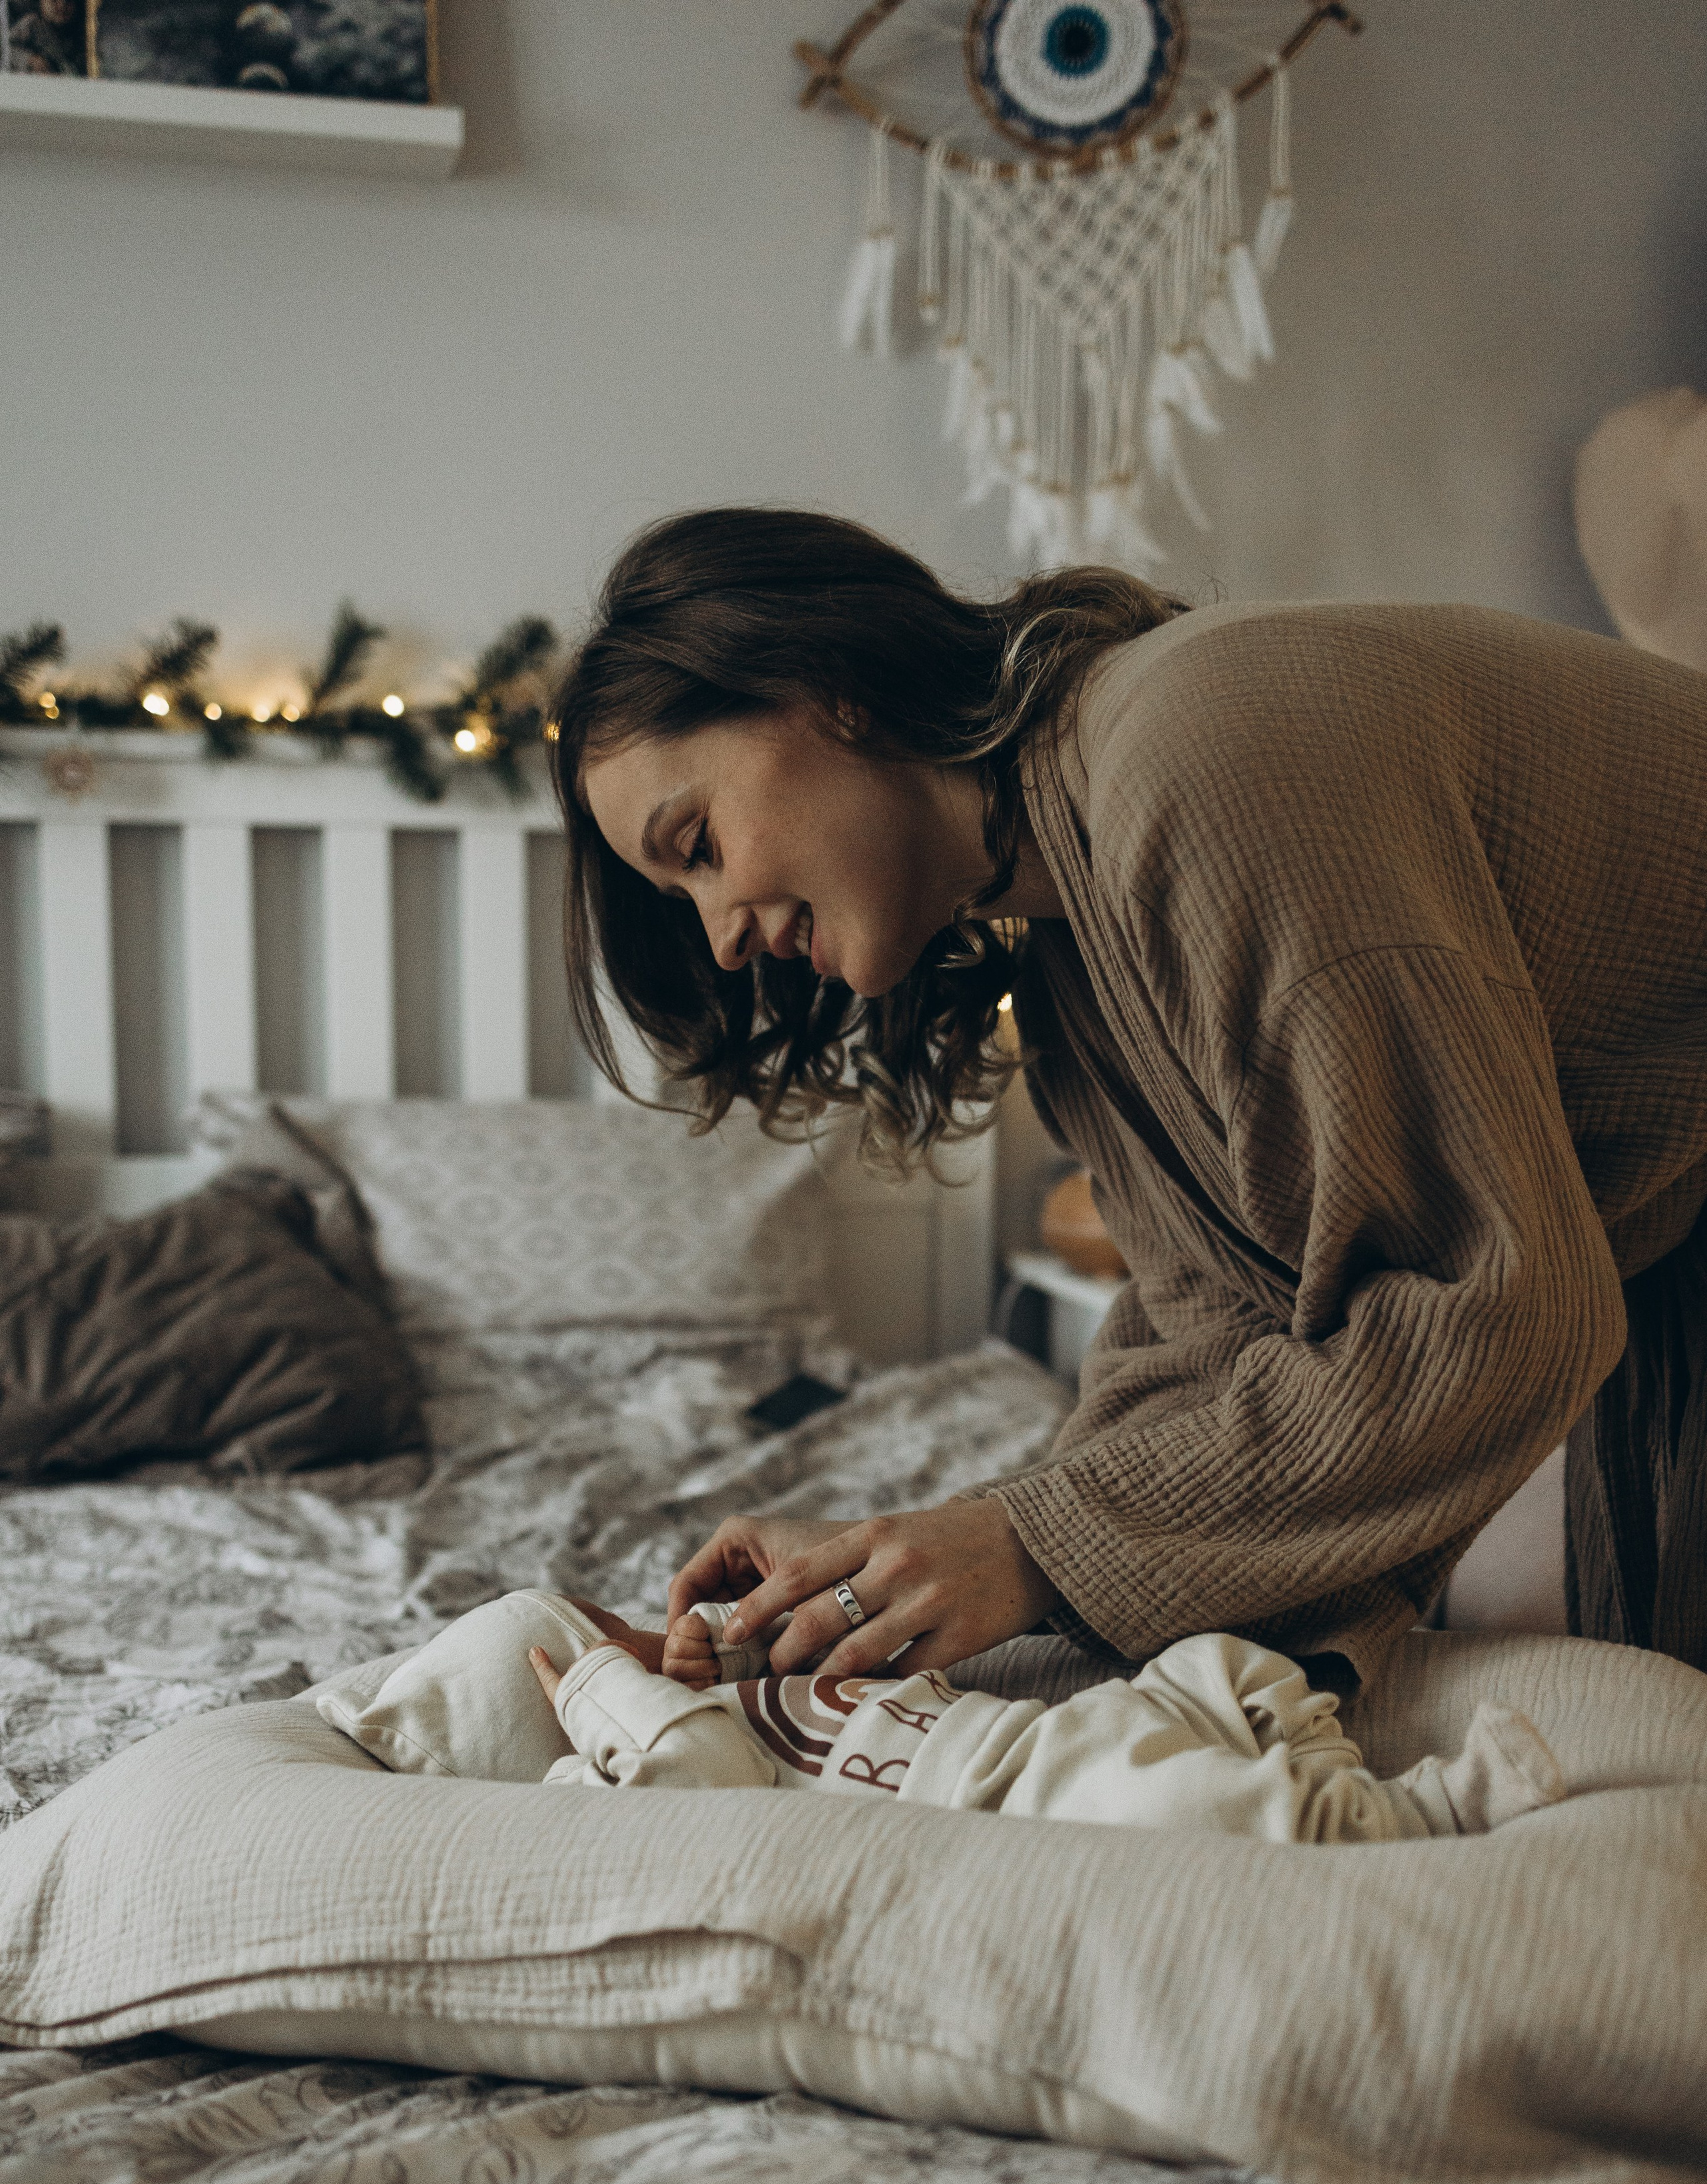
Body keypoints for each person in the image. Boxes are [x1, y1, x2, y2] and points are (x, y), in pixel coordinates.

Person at [550, 508, 1707, 1697]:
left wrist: (1027, 1548)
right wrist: (908, 1584)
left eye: (698, 845)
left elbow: (1502, 1306)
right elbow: (1212, 1335)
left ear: (827, 691)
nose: (722, 941)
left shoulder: (1204, 751)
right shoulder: (1073, 962)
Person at [513, 1592, 1560, 1842]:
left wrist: (718, 1648)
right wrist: (600, 1700)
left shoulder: (708, 1697)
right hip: (1011, 1795)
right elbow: (694, 1773)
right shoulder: (636, 1775)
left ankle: (1316, 1763)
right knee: (1184, 1803)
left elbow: (805, 1664)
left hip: (1045, 1726)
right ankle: (1415, 1815)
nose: (631, 1635)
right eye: (598, 1636)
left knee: (1217, 1661)